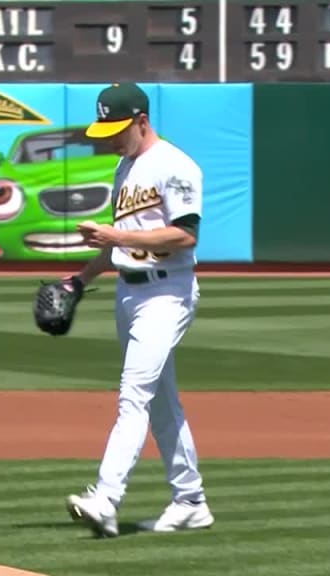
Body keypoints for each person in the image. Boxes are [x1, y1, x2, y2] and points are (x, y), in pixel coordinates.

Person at [63, 82, 213, 537]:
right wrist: (78, 281)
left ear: (141, 120)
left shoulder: (176, 165)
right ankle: (190, 501)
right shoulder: (125, 167)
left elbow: (185, 235)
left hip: (167, 294)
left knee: (133, 397)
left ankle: (106, 498)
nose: (109, 139)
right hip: (129, 293)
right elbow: (117, 246)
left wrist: (118, 237)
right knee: (162, 404)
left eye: (116, 129)